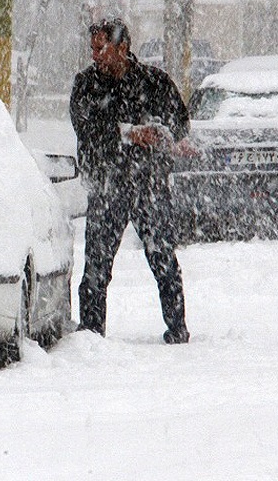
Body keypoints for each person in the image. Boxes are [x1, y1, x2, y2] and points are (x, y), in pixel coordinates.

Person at [70, 18, 191, 344]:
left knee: (163, 259)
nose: (95, 56)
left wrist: (161, 134)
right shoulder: (86, 85)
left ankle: (177, 331)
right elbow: (87, 130)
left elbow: (180, 124)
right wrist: (128, 132)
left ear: (123, 47)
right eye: (92, 48)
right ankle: (92, 336)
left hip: (149, 183)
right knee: (96, 267)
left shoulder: (154, 83)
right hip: (108, 185)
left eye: (101, 48)